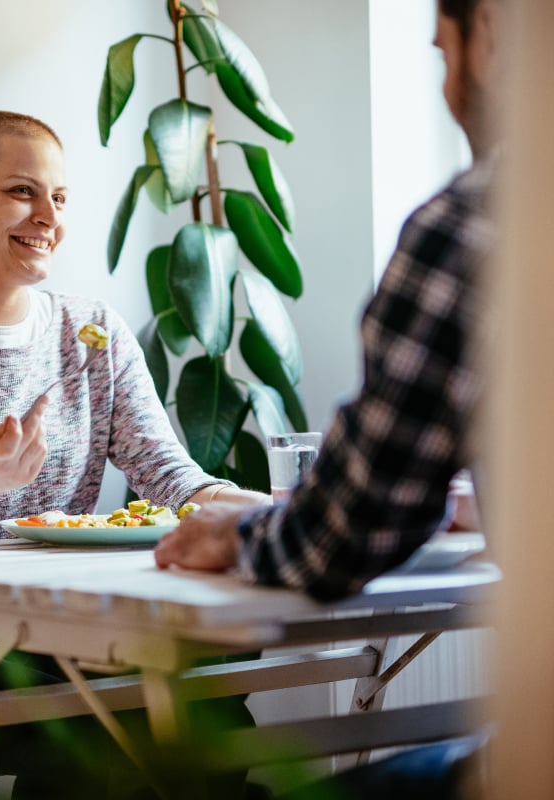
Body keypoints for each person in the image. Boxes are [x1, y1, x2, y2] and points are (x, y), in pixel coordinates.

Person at [0, 110, 266, 798]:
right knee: (113, 726)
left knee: (208, 705)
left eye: (59, 198)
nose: (47, 216)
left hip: (52, 639)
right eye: (22, 192)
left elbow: (172, 476)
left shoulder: (92, 334)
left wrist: (271, 509)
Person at [155, 0, 502, 796]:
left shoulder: (469, 225)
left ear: (486, 34)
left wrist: (240, 530)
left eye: (442, 54)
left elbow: (340, 535)